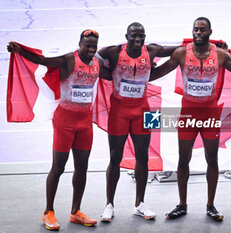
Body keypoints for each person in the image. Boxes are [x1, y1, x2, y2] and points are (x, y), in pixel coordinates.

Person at [150, 17, 231, 221]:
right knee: (183, 159)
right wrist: (132, 72)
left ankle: (211, 206)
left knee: (212, 159)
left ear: (210, 32)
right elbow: (157, 73)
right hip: (188, 112)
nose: (198, 33)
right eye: (195, 29)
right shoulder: (181, 53)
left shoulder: (220, 55)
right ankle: (182, 204)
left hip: (210, 113)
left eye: (202, 30)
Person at [7, 29, 103, 231]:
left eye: (94, 46)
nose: (91, 49)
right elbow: (43, 60)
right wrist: (20, 51)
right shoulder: (69, 59)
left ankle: (76, 211)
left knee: (82, 167)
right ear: (79, 44)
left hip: (85, 122)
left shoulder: (97, 63)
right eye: (88, 46)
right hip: (65, 121)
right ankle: (48, 212)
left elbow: (113, 75)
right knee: (58, 168)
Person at [97, 22, 178, 222]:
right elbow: (93, 57)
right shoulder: (114, 52)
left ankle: (140, 204)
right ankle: (109, 205)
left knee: (143, 156)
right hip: (119, 111)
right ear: (126, 36)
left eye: (141, 36)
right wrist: (107, 72)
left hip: (144, 108)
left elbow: (180, 49)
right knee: (115, 157)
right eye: (133, 35)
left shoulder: (151, 51)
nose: (137, 39)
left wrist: (211, 46)